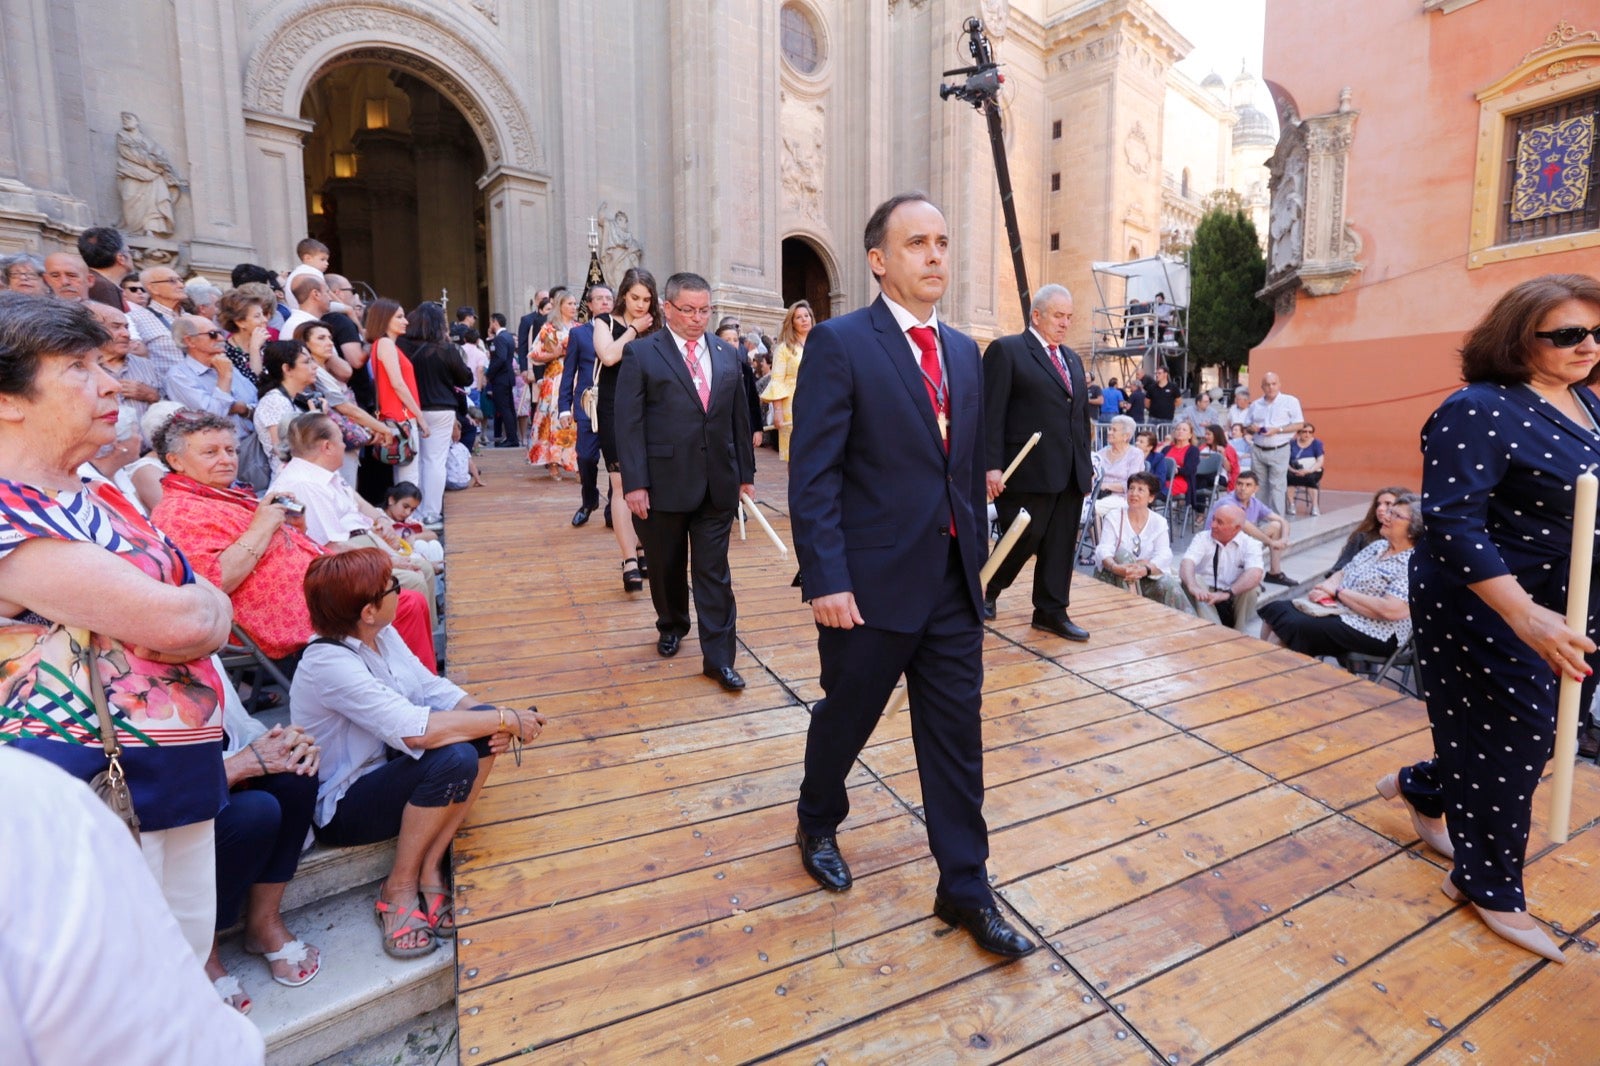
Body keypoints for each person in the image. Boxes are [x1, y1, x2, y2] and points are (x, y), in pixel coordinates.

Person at [788, 193, 1035, 959]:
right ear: (879, 260)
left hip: (954, 588)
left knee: (957, 743)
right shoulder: (840, 343)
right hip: (866, 588)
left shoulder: (965, 351)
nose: (935, 256)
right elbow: (814, 474)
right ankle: (817, 814)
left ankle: (965, 887)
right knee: (847, 718)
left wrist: (981, 555)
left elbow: (960, 467)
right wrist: (826, 578)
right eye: (918, 243)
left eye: (943, 241)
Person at [0, 294, 234, 963]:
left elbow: (200, 598)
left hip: (171, 775)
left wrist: (197, 608)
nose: (110, 383)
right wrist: (196, 609)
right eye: (77, 367)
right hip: (90, 794)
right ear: (8, 398)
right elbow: (183, 614)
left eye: (103, 362)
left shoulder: (95, 490)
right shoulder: (7, 511)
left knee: (181, 958)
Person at [1380, 274, 1600, 964]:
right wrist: (1526, 616)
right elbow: (1450, 522)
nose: (1588, 344)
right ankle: (1487, 885)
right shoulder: (1477, 408)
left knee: (1521, 735)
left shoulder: (1585, 401)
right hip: (1488, 604)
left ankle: (1424, 786)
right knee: (1524, 734)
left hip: (1568, 603)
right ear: (1517, 338)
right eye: (1568, 334)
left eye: (1595, 332)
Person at [291, 549, 545, 958]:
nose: (400, 588)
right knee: (457, 755)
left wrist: (493, 716)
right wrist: (503, 718)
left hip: (391, 768)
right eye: (391, 586)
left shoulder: (379, 635)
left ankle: (432, 864)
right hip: (345, 804)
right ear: (369, 611)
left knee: (480, 728)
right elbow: (415, 731)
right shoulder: (328, 664)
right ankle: (400, 884)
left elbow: (431, 689)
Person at [1, 748, 265, 1064]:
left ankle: (195, 1002)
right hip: (123, 770)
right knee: (137, 941)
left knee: (190, 920)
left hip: (190, 769)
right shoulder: (32, 796)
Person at [149, 410, 438, 669]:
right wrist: (262, 527)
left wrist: (295, 529)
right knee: (404, 602)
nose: (227, 460)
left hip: (315, 592)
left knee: (402, 592)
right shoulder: (178, 512)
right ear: (176, 461)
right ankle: (412, 695)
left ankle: (410, 684)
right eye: (210, 453)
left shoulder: (220, 495)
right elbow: (215, 582)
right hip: (287, 616)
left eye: (230, 450)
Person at [616, 272, 756, 689]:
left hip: (717, 483)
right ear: (668, 308)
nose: (698, 318)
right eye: (689, 310)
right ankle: (672, 623)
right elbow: (629, 423)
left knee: (714, 573)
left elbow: (739, 418)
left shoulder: (727, 354)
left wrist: (745, 475)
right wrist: (634, 483)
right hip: (661, 483)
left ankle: (719, 659)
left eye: (705, 310)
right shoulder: (642, 354)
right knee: (666, 565)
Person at [980, 283, 1093, 641]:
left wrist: (1085, 466)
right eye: (1058, 316)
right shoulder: (1007, 351)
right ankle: (986, 589)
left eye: (1069, 317)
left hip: (1070, 471)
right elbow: (990, 412)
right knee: (1023, 536)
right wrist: (990, 465)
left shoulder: (1072, 359)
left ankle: (1050, 611)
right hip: (1025, 470)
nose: (1064, 323)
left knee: (1060, 543)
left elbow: (1079, 418)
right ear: (1037, 315)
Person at [206, 682, 322, 1013]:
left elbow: (239, 726)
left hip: (222, 766)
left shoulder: (202, 648)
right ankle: (202, 953)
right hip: (171, 801)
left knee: (297, 771)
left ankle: (263, 923)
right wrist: (241, 763)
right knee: (254, 813)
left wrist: (280, 743)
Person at [268, 413, 440, 629]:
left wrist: (381, 519)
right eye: (342, 440)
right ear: (327, 447)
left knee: (423, 567)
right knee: (414, 578)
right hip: (343, 560)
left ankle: (430, 642)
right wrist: (384, 560)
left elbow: (357, 502)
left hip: (362, 543)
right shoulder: (305, 484)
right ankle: (414, 650)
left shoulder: (322, 473)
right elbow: (330, 547)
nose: (345, 446)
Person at [1259, 493, 1418, 658]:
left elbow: (1390, 610)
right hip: (1343, 612)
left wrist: (1339, 593)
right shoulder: (1379, 546)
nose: (1386, 516)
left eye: (1395, 515)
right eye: (1390, 512)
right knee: (1277, 609)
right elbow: (1344, 571)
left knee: (1294, 625)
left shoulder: (1412, 563)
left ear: (1413, 530)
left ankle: (1266, 673)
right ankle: (1264, 670)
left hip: (1376, 631)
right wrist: (1327, 588)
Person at [594, 267, 658, 592]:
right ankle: (628, 558)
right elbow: (608, 356)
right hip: (613, 409)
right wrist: (633, 329)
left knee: (649, 480)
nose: (641, 305)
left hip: (650, 411)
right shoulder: (604, 322)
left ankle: (644, 546)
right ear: (623, 295)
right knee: (620, 484)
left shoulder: (657, 326)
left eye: (647, 299)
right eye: (635, 297)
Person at [165, 313, 267, 490]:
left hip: (257, 444)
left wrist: (243, 409)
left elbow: (257, 402)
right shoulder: (179, 376)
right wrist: (224, 378)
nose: (221, 338)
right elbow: (213, 418)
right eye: (213, 334)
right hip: (225, 457)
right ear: (190, 341)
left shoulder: (226, 363)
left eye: (220, 332)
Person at [398, 302, 472, 527]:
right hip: (440, 408)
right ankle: (431, 513)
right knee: (435, 461)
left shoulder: (401, 345)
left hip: (409, 407)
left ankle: (409, 511)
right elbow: (466, 378)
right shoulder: (445, 348)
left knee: (411, 462)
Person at [1094, 471, 1188, 609]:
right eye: (1131, 488)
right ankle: (1134, 610)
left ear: (1151, 498)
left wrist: (1145, 569)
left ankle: (1188, 623)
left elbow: (1164, 555)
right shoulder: (1114, 517)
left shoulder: (1159, 522)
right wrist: (1116, 567)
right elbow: (1103, 549)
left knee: (1170, 585)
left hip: (1144, 575)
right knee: (1122, 555)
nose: (1133, 493)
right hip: (1114, 575)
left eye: (1140, 489)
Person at [558, 285, 611, 526]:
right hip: (587, 404)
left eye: (609, 298)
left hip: (616, 405)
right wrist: (564, 407)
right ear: (589, 305)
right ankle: (589, 500)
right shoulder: (579, 334)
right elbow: (568, 373)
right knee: (586, 458)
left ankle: (614, 508)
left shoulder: (622, 332)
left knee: (617, 461)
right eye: (599, 299)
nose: (605, 303)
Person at [367, 298, 424, 489]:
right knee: (409, 476)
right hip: (402, 417)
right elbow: (398, 384)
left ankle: (405, 516)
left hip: (395, 417)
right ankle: (409, 517)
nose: (405, 321)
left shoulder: (380, 344)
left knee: (404, 474)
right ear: (384, 319)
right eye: (399, 316)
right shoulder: (385, 343)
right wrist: (420, 417)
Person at [1179, 503, 1263, 631]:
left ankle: (1237, 632)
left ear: (1237, 528)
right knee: (1194, 579)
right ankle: (1213, 631)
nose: (1213, 525)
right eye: (1213, 519)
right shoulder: (1202, 538)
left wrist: (1228, 593)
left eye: (1220, 522)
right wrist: (1192, 585)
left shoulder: (1251, 544)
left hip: (1233, 592)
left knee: (1251, 590)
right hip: (1204, 591)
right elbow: (1187, 562)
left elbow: (1255, 573)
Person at [1206, 470, 1294, 585]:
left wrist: (1284, 539)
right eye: (1239, 484)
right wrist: (1271, 542)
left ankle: (1274, 573)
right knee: (1249, 534)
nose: (1242, 488)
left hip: (1240, 543)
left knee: (1276, 526)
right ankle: (1245, 576)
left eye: (1248, 485)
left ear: (1255, 489)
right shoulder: (1228, 502)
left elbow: (1282, 521)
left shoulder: (1254, 502)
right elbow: (1245, 526)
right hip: (1218, 546)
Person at [252, 339, 321, 478]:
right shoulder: (274, 401)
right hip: (294, 483)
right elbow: (285, 452)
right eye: (306, 362)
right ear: (287, 369)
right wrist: (317, 420)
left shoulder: (296, 398)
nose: (315, 367)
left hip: (308, 476)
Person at [529, 291, 579, 477]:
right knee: (552, 418)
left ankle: (574, 461)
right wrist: (554, 354)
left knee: (575, 419)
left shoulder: (579, 327)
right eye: (570, 304)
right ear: (560, 306)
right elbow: (534, 354)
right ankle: (552, 461)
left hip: (575, 376)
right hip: (555, 375)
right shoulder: (549, 328)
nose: (574, 307)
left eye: (575, 304)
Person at [1246, 371, 1304, 516]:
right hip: (1258, 448)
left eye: (1273, 384)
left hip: (1279, 448)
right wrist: (1252, 428)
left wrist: (1278, 429)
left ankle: (1277, 522)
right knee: (1259, 486)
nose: (1270, 387)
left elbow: (1299, 424)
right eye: (1267, 385)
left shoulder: (1290, 401)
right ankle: (1260, 520)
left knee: (1277, 486)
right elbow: (1246, 424)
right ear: (1262, 387)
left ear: (1279, 384)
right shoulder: (1255, 404)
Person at [762, 300, 813, 461]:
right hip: (791, 404)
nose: (804, 319)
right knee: (795, 454)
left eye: (806, 316)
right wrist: (777, 411)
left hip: (817, 401)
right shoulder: (784, 348)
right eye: (799, 317)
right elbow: (777, 380)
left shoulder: (820, 343)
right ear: (792, 322)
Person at [1330, 486, 1411, 573]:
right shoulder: (1362, 537)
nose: (1380, 509)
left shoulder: (1413, 544)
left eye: (1388, 504)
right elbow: (1339, 569)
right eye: (1378, 504)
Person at [216, 284, 273, 388]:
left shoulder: (269, 346)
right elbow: (255, 386)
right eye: (257, 316)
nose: (265, 320)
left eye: (263, 314)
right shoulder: (226, 353)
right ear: (240, 322)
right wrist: (254, 349)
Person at [486, 312, 519, 446]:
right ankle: (512, 437)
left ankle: (512, 439)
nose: (490, 325)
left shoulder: (500, 338)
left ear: (495, 322)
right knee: (509, 409)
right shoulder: (508, 337)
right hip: (507, 377)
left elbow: (500, 358)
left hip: (501, 378)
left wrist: (489, 374)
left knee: (505, 409)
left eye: (491, 322)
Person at [1096, 414, 1144, 497]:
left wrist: (1105, 486)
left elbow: (1132, 483)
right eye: (1110, 429)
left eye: (1114, 430)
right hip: (1098, 495)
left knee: (1090, 508)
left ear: (1126, 436)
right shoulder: (1101, 453)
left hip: (1122, 498)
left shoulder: (1135, 454)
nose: (1109, 432)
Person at [1156, 419, 1201, 503]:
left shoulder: (1193, 450)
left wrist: (1176, 470)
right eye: (1178, 429)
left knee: (1150, 492)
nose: (1180, 431)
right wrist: (1165, 444)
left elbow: (1189, 470)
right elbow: (1157, 461)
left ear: (1190, 435)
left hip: (1181, 481)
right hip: (1163, 479)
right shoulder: (1167, 448)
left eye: (1184, 430)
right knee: (1146, 487)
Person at [1286, 422, 1326, 516]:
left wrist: (1308, 471)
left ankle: (1315, 506)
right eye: (1304, 432)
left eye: (1310, 432)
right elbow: (1285, 461)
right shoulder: (1292, 443)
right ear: (1299, 433)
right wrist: (1293, 470)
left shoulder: (1316, 443)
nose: (1307, 434)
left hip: (1312, 470)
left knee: (1310, 479)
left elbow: (1320, 461)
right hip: (1294, 470)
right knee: (1288, 478)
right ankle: (1291, 505)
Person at [1201, 424, 1240, 492]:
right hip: (1204, 475)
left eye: (1208, 434)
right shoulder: (1203, 448)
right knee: (1197, 479)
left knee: (1201, 478)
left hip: (1219, 476)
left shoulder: (1227, 449)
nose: (1206, 436)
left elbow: (1229, 469)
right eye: (1205, 434)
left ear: (1216, 435)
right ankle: (1198, 502)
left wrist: (1223, 455)